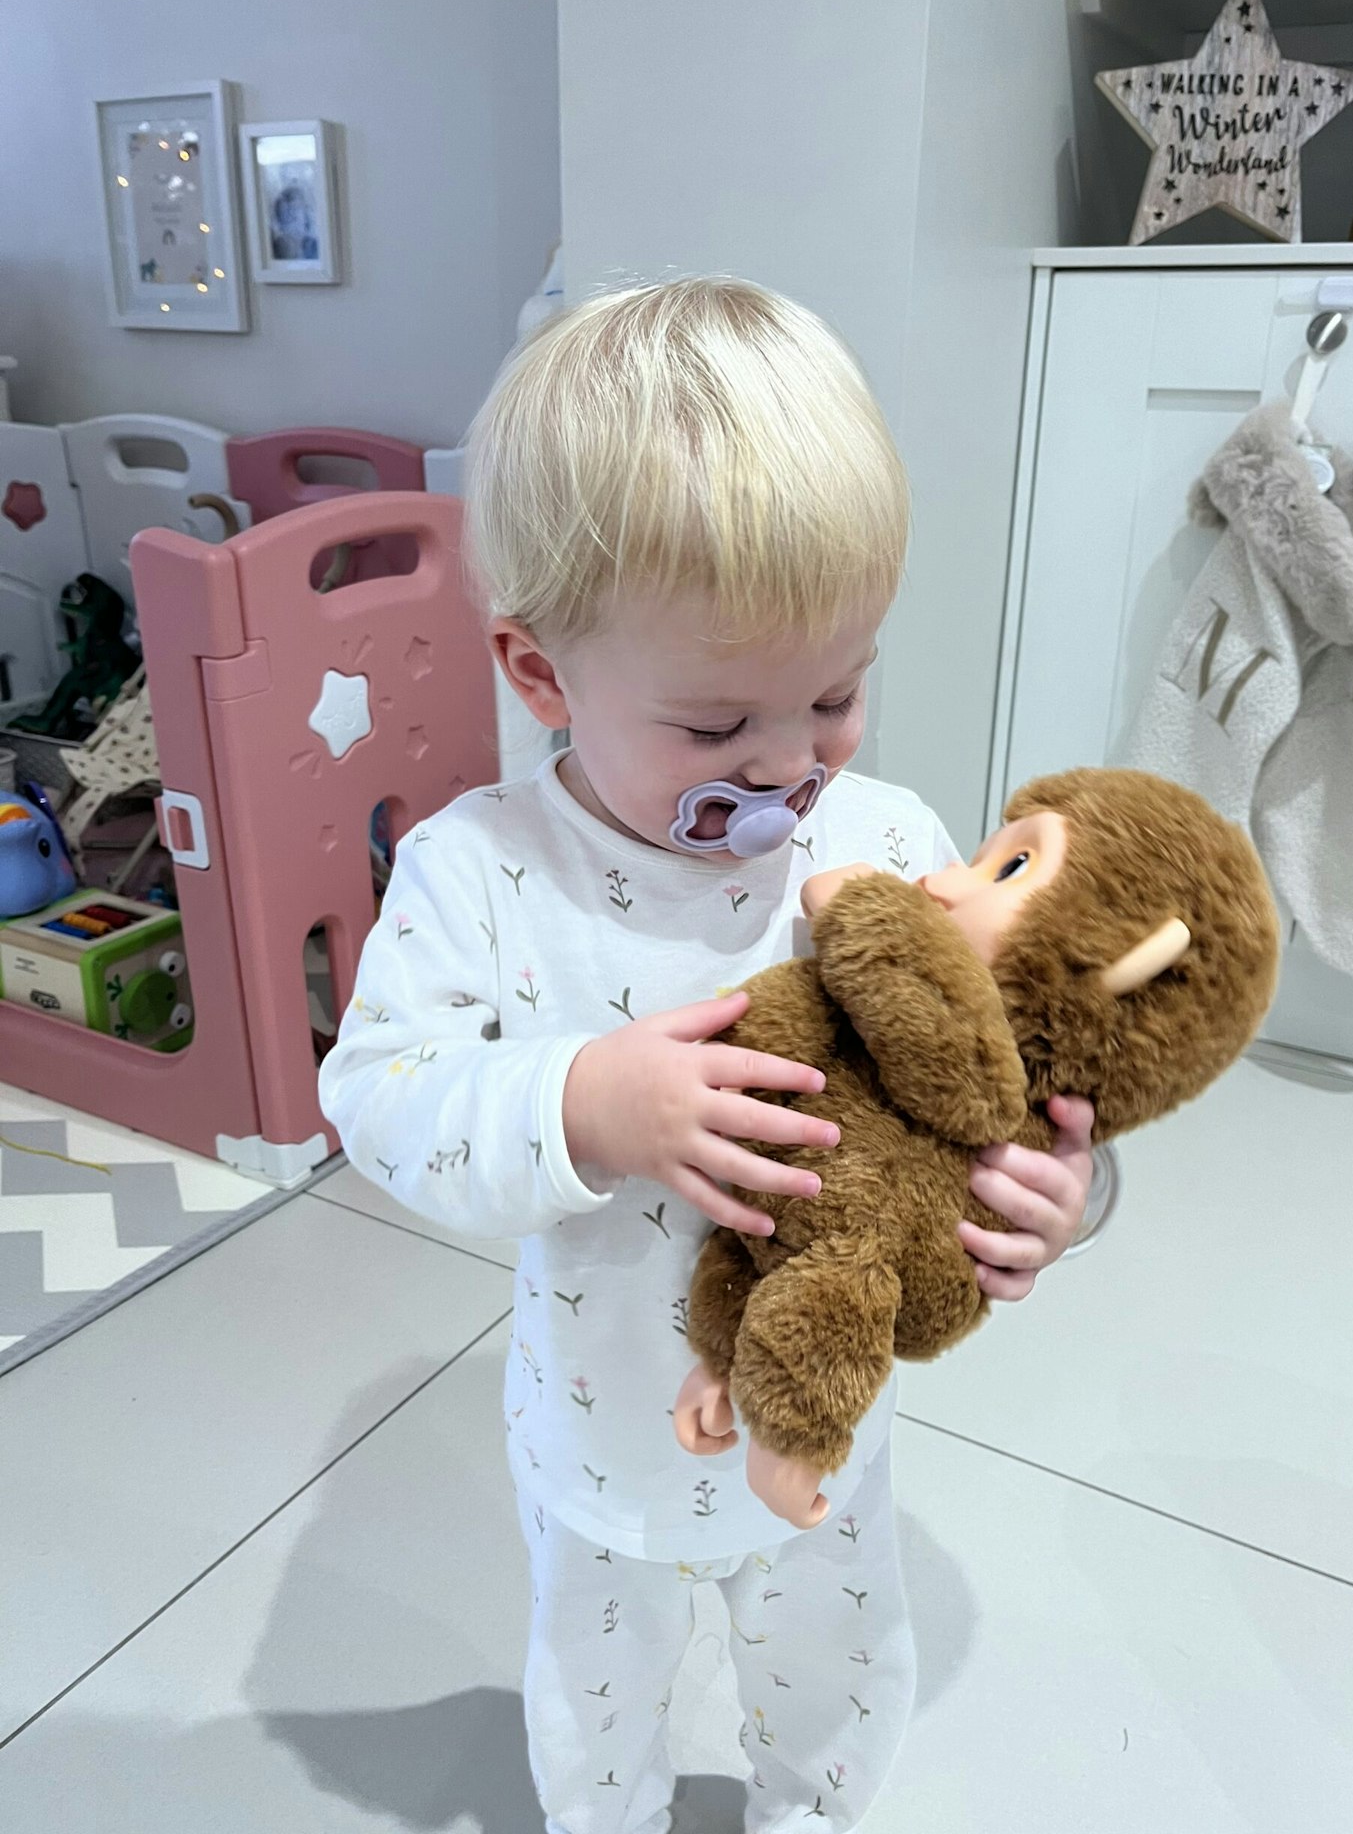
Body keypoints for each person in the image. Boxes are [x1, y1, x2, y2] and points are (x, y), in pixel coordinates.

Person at [319, 277, 1099, 1834]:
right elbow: (378, 1098)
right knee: (597, 1724)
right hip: (599, 1445)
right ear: (541, 675)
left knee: (842, 1682)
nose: (789, 767)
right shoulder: (482, 869)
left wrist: (1050, 1193)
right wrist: (581, 1103)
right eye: (713, 723)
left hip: (830, 1434)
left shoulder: (885, 845)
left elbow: (997, 1079)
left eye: (835, 693)